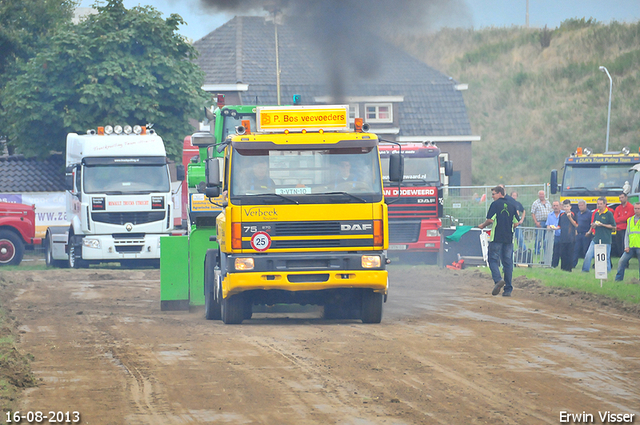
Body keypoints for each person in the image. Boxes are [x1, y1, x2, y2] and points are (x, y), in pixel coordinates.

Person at [477, 185, 520, 297]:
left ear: (500, 193)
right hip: (508, 238)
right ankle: (508, 289)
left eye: (493, 194)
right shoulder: (512, 205)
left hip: (496, 238)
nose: (492, 196)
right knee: (508, 263)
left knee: (493, 260)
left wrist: (482, 225)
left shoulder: (495, 205)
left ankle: (498, 280)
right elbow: (516, 223)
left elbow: (490, 220)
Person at [582, 197, 616, 273]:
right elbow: (594, 224)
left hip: (606, 239)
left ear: (605, 204)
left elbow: (613, 226)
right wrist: (593, 226)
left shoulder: (609, 214)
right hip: (596, 238)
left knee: (606, 257)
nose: (599, 205)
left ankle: (608, 272)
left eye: (601, 204)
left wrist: (602, 225)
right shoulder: (596, 213)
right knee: (588, 254)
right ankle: (585, 270)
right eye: (598, 204)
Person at [615, 202, 640, 281]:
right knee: (622, 261)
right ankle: (618, 279)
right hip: (631, 246)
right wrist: (626, 246)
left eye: (638, 209)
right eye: (635, 208)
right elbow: (627, 234)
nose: (637, 210)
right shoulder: (630, 220)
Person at [557, 200, 578, 271]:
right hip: (563, 237)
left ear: (570, 207)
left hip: (571, 237)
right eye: (565, 206)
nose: (566, 208)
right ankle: (563, 268)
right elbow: (559, 225)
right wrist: (554, 228)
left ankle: (569, 268)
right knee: (563, 253)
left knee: (570, 253)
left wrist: (570, 218)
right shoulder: (561, 215)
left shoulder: (573, 214)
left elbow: (575, 225)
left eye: (567, 206)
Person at [572, 199, 593, 268]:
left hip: (586, 234)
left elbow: (592, 224)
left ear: (585, 205)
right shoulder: (578, 214)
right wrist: (575, 230)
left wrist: (589, 232)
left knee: (586, 251)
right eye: (579, 206)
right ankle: (573, 264)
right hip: (578, 234)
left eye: (582, 205)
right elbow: (576, 223)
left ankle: (586, 265)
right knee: (575, 250)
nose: (580, 207)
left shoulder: (590, 214)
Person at [613, 193, 634, 257]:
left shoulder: (631, 207)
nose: (621, 199)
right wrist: (622, 219)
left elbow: (628, 218)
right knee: (619, 246)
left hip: (626, 229)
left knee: (625, 246)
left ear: (626, 197)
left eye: (622, 197)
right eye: (620, 198)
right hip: (618, 229)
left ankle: (626, 262)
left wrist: (619, 219)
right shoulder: (618, 208)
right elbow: (614, 219)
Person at [531, 190, 552, 254]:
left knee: (546, 238)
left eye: (542, 194)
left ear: (544, 195)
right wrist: (536, 222)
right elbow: (532, 213)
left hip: (547, 222)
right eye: (540, 194)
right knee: (539, 238)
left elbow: (551, 212)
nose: (541, 196)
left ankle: (546, 251)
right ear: (538, 195)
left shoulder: (548, 202)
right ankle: (537, 251)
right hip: (540, 222)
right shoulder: (535, 203)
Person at [546, 201, 562, 267]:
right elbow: (547, 225)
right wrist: (549, 228)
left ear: (560, 206)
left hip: (562, 235)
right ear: (552, 207)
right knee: (555, 251)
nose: (555, 207)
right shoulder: (550, 215)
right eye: (554, 206)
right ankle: (554, 265)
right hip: (554, 235)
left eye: (557, 205)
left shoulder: (563, 214)